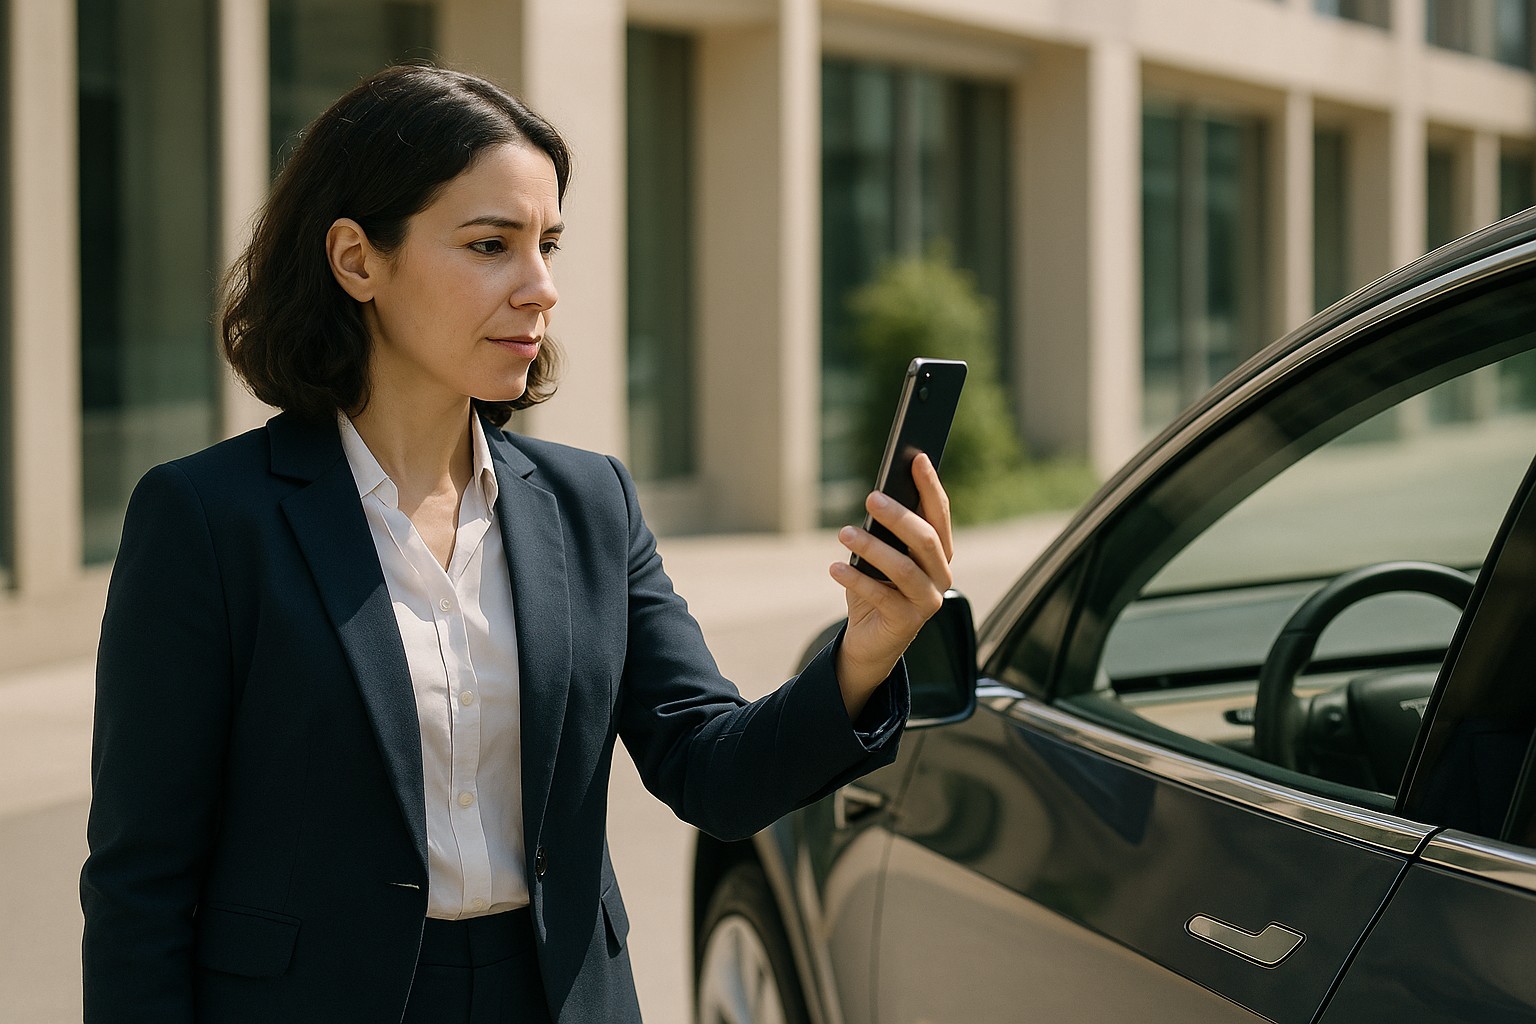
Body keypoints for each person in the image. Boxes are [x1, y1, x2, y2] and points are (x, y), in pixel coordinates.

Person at [79, 64, 953, 1024]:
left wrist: (864, 652)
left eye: (548, 246)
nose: (539, 289)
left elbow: (714, 770)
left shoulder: (590, 504)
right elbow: (141, 883)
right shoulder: (206, 520)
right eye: (491, 245)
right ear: (357, 260)